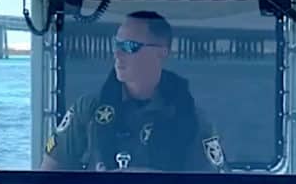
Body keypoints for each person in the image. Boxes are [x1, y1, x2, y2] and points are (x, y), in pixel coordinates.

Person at [40, 10, 225, 172]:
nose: (118, 54)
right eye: (117, 45)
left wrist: (154, 181)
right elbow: (50, 173)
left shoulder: (191, 118)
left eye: (129, 47)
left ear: (162, 53)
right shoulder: (88, 109)